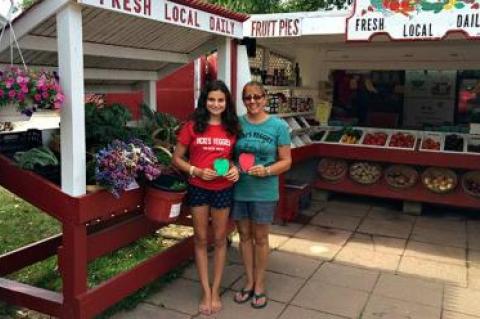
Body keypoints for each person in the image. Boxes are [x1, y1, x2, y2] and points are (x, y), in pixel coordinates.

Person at [172, 80, 240, 315]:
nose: (216, 104)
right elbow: (177, 158)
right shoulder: (193, 126)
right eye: (212, 99)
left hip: (223, 189)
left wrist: (234, 169)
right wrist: (196, 171)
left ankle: (216, 289)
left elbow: (238, 158)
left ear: (226, 102)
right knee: (200, 238)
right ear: (205, 100)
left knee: (220, 239)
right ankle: (205, 290)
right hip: (198, 187)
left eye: (221, 100)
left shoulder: (232, 127)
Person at [232, 81, 292, 309]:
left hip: (265, 191)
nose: (253, 101)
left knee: (261, 238)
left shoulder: (278, 126)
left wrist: (267, 170)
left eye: (257, 97)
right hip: (240, 189)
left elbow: (286, 161)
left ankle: (260, 284)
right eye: (247, 97)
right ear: (243, 100)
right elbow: (228, 155)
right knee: (244, 236)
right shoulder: (236, 124)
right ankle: (248, 282)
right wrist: (230, 168)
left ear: (265, 98)